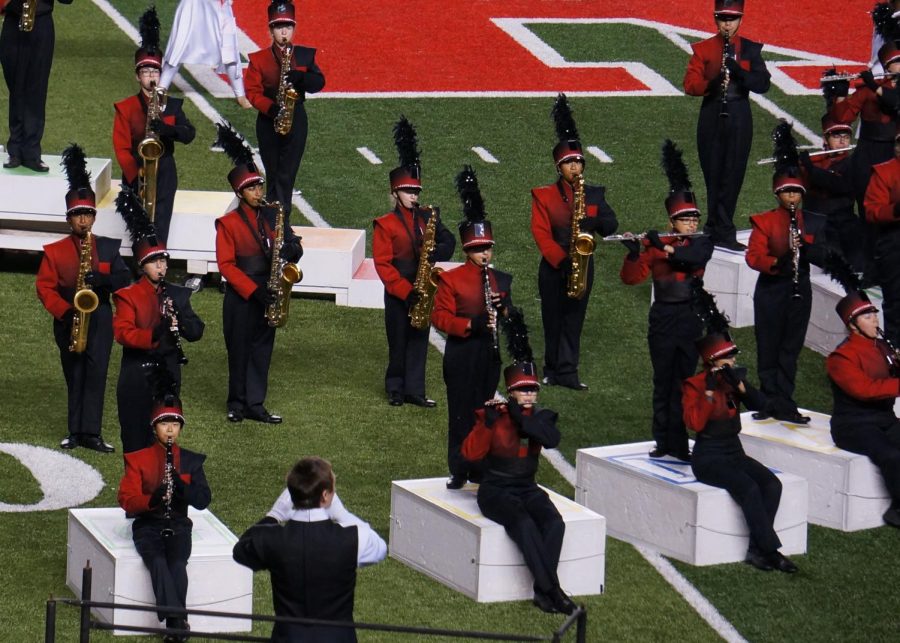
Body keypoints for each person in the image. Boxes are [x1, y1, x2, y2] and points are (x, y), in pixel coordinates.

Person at [461, 307, 577, 615]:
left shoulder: (542, 419)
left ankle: (543, 591)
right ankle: (553, 591)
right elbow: (470, 455)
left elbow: (549, 439)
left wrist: (518, 417)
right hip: (496, 489)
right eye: (522, 390)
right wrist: (487, 422)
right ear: (511, 392)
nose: (528, 395)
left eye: (532, 390)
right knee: (523, 524)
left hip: (527, 487)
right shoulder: (494, 418)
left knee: (554, 523)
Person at [620, 140, 713, 461]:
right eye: (685, 218)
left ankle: (682, 440)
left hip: (690, 317)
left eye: (694, 218)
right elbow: (632, 278)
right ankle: (664, 440)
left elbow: (691, 259)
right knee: (663, 382)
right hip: (662, 318)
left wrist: (665, 247)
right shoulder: (657, 245)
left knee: (685, 381)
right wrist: (635, 255)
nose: (691, 223)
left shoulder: (701, 244)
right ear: (673, 221)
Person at [35, 144, 130, 452]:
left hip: (100, 316)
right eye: (78, 216)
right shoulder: (55, 251)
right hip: (68, 318)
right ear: (69, 219)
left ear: (94, 216)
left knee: (97, 374)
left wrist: (103, 280)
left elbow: (124, 279)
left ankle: (92, 433)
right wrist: (64, 312)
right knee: (74, 374)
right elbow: (45, 287)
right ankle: (74, 432)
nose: (84, 221)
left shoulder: (107, 247)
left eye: (88, 214)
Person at [683, 321, 798, 573]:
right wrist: (710, 394)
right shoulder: (694, 386)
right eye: (729, 359)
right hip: (708, 457)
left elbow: (763, 406)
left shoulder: (734, 382)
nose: (733, 362)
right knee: (748, 488)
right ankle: (770, 551)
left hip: (734, 451)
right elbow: (694, 423)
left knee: (771, 484)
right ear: (715, 361)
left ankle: (757, 550)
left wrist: (743, 388)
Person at [233, 456, 387, 643]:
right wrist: (341, 514)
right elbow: (380, 547)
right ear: (325, 495)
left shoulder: (272, 539)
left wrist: (274, 515)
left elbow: (241, 550)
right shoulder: (353, 538)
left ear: (291, 495)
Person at [214, 122, 303, 424]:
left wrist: (293, 249)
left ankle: (256, 403)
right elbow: (226, 265)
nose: (258, 192)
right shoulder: (227, 224)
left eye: (259, 186)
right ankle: (236, 404)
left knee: (262, 351)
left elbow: (289, 243)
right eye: (252, 188)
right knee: (239, 351)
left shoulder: (272, 214)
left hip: (269, 288)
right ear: (240, 192)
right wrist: (253, 291)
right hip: (243, 296)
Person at [531, 94, 617, 390]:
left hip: (584, 262)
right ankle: (551, 369)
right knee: (553, 319)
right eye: (569, 163)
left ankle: (568, 372)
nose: (575, 168)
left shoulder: (594, 194)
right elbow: (540, 233)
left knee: (574, 319)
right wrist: (562, 259)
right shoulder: (544, 195)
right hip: (555, 266)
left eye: (578, 162)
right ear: (559, 167)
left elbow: (611, 224)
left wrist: (593, 223)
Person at [433, 166, 512, 490]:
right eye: (480, 249)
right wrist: (470, 324)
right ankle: (459, 468)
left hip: (488, 354)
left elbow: (509, 314)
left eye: (488, 248)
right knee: (461, 415)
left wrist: (504, 310)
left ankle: (480, 466)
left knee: (485, 413)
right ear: (468, 251)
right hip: (462, 353)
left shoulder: (499, 279)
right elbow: (439, 317)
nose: (485, 254)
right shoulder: (452, 279)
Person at [113, 189, 204, 453]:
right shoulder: (128, 296)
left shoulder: (176, 293)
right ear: (143, 266)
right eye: (155, 262)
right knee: (134, 438)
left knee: (165, 443)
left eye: (163, 260)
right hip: (136, 375)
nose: (161, 267)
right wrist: (156, 332)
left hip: (169, 373)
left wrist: (181, 321)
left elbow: (197, 332)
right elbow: (123, 333)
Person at [373, 117, 455, 407]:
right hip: (400, 290)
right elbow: (383, 264)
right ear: (395, 194)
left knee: (420, 339)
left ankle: (415, 390)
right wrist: (405, 290)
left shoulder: (428, 217)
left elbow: (449, 241)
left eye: (416, 191)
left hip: (423, 286)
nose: (413, 196)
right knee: (398, 341)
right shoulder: (385, 224)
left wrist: (434, 254)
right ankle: (395, 388)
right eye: (408, 192)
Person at [117, 396, 211, 643]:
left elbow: (203, 499)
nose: (170, 430)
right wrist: (153, 498)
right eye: (164, 424)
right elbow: (126, 499)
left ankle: (174, 625)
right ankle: (177, 623)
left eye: (175, 424)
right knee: (157, 561)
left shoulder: (190, 460)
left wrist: (181, 486)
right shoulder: (138, 459)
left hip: (179, 524)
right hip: (148, 524)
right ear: (154, 427)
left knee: (178, 563)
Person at [745, 121, 820, 424]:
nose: (792, 197)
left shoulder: (810, 221)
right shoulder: (765, 221)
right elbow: (754, 256)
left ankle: (785, 400)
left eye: (796, 193)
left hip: (800, 289)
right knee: (769, 345)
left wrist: (807, 248)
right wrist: (780, 259)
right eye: (787, 192)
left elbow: (823, 252)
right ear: (778, 194)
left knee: (790, 348)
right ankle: (767, 399)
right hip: (772, 288)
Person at [682, 0, 770, 251]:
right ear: (715, 19)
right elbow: (690, 85)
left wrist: (739, 72)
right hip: (712, 112)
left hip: (739, 113)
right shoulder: (704, 49)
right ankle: (713, 226)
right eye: (722, 19)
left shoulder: (750, 49)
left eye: (732, 19)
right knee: (713, 171)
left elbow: (763, 84)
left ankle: (725, 227)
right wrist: (714, 81)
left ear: (740, 20)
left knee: (733, 172)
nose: (727, 24)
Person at [113, 8, 197, 245]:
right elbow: (120, 146)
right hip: (137, 170)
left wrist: (166, 130)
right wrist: (136, 175)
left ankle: (158, 266)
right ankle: (140, 268)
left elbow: (189, 134)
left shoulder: (171, 105)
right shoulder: (126, 107)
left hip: (166, 169)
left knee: (161, 221)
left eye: (154, 71)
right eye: (146, 71)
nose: (151, 76)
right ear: (137, 76)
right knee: (138, 222)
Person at [826, 290, 900, 528]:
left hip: (884, 418)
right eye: (867, 317)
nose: (875, 320)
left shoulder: (881, 346)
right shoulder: (841, 357)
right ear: (853, 325)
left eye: (874, 314)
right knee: (891, 455)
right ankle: (897, 509)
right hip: (853, 425)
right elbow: (864, 390)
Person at [830, 36, 900, 285]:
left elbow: (895, 103)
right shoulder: (867, 90)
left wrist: (876, 87)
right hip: (867, 154)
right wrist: (838, 94)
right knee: (869, 213)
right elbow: (843, 117)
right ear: (888, 65)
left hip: (894, 156)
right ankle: (871, 268)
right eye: (897, 61)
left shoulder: (879, 88)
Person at [245, 0, 325, 217]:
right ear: (271, 29)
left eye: (288, 27)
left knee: (287, 174)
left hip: (296, 118)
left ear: (293, 29)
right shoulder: (259, 59)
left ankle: (281, 222)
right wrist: (272, 109)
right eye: (279, 27)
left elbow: (319, 83)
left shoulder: (305, 55)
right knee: (273, 173)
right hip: (268, 119)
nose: (284, 32)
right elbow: (252, 92)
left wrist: (301, 77)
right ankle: (272, 221)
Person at [0, 0, 73, 172]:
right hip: (13, 22)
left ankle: (31, 153)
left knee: (37, 90)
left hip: (41, 24)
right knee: (15, 88)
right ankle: (15, 151)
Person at [799, 112, 862, 271]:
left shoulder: (854, 163)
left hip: (842, 224)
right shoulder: (814, 162)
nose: (842, 141)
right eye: (836, 136)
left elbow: (841, 185)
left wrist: (811, 170)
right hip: (813, 222)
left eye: (846, 136)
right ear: (825, 138)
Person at [160, 0, 252, 108]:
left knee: (228, 47)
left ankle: (240, 94)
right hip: (193, 4)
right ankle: (161, 89)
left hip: (219, 5)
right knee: (179, 47)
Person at [862, 127, 900, 348]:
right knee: (896, 303)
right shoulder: (884, 172)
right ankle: (895, 353)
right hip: (894, 243)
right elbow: (872, 211)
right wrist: (896, 210)